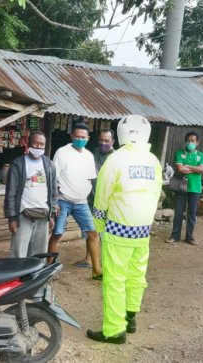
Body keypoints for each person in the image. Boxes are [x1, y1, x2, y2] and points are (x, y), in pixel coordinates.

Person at [86, 115, 162, 344]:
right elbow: (156, 193)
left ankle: (113, 330)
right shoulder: (153, 160)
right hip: (143, 231)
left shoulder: (116, 159)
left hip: (119, 229)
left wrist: (97, 225)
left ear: (121, 134)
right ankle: (130, 317)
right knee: (136, 275)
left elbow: (102, 194)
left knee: (115, 279)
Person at [48, 123, 102, 279]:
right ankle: (49, 269)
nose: (80, 139)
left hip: (82, 202)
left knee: (92, 233)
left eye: (83, 137)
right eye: (77, 136)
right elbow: (53, 178)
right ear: (71, 136)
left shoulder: (89, 155)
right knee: (57, 234)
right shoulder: (62, 152)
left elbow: (91, 180)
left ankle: (97, 269)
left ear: (88, 138)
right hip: (63, 200)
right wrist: (55, 202)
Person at [4, 131, 58, 257]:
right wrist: (12, 218)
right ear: (28, 145)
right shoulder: (18, 164)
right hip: (23, 214)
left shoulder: (49, 165)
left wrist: (52, 214)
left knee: (39, 253)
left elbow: (53, 191)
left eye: (41, 144)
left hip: (43, 214)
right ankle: (17, 276)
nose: (38, 147)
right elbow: (10, 193)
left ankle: (35, 276)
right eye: (35, 143)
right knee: (19, 252)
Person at [76, 128, 116, 268]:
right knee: (90, 231)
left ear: (113, 141)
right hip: (92, 199)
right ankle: (88, 259)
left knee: (107, 234)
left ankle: (106, 262)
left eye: (107, 141)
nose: (103, 143)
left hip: (109, 202)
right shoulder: (94, 153)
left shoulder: (117, 157)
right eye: (101, 140)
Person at [166, 132, 203, 245]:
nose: (190, 143)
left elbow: (202, 170)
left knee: (192, 213)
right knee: (178, 212)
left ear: (197, 143)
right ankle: (175, 236)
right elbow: (179, 169)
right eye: (188, 140)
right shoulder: (179, 153)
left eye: (193, 141)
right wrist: (195, 169)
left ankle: (189, 237)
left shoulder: (201, 155)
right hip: (181, 186)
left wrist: (187, 166)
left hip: (195, 187)